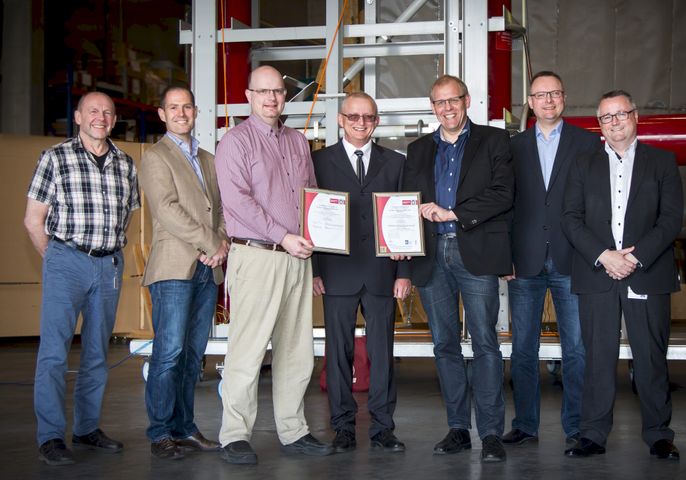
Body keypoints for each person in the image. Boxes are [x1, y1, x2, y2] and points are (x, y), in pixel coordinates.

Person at [214, 65, 333, 465]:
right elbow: (239, 203)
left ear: (285, 97)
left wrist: (315, 253)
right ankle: (233, 434)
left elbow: (311, 198)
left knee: (297, 350)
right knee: (247, 351)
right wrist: (284, 236)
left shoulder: (298, 142)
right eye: (263, 91)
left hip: (298, 259)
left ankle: (293, 429)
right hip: (258, 255)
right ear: (248, 95)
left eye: (278, 92)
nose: (271, 98)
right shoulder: (235, 142)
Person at [562, 90, 683, 460]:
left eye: (621, 114)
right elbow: (571, 218)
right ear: (599, 125)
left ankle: (659, 434)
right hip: (597, 272)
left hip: (646, 273)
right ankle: (593, 435)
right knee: (597, 358)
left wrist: (635, 258)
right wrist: (604, 256)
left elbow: (671, 219)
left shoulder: (662, 162)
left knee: (650, 356)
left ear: (635, 116)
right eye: (606, 117)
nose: (614, 122)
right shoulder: (582, 164)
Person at [24, 91, 140, 466]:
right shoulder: (55, 158)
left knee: (96, 353)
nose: (100, 117)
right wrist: (57, 259)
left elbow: (129, 217)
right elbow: (33, 220)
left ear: (114, 118)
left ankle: (87, 428)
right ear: (77, 116)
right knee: (54, 354)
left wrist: (105, 255)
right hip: (66, 259)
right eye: (92, 110)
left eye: (107, 112)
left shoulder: (125, 163)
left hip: (108, 265)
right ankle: (51, 436)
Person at [402, 75, 513, 463]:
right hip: (432, 256)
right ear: (432, 107)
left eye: (454, 101)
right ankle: (458, 429)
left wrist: (454, 213)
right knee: (444, 344)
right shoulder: (416, 150)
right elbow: (403, 202)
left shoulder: (494, 141)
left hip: (475, 251)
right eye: (439, 102)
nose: (447, 108)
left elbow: (503, 193)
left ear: (466, 101)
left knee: (485, 342)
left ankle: (492, 433)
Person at [502, 71, 600, 448]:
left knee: (576, 348)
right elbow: (506, 204)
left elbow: (596, 204)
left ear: (564, 98)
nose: (547, 101)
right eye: (540, 95)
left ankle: (576, 426)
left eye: (554, 94)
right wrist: (504, 256)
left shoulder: (587, 144)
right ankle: (525, 425)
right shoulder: (513, 146)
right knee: (523, 348)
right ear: (530, 101)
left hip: (572, 259)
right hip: (523, 261)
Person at [311, 92, 411, 453]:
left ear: (376, 121)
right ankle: (343, 426)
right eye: (353, 116)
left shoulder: (396, 163)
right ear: (340, 119)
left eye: (368, 117)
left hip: (383, 271)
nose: (360, 122)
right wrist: (314, 270)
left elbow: (406, 219)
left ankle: (383, 427)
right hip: (336, 271)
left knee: (382, 352)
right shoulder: (318, 161)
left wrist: (403, 272)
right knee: (337, 353)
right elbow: (309, 217)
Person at [139, 86, 229, 460]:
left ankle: (184, 427)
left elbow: (222, 209)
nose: (181, 113)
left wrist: (221, 242)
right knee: (168, 353)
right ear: (162, 114)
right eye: (173, 107)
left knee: (193, 356)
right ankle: (160, 431)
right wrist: (212, 243)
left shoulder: (208, 158)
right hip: (174, 269)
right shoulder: (155, 157)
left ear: (196, 111)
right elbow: (167, 210)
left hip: (207, 270)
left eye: (187, 106)